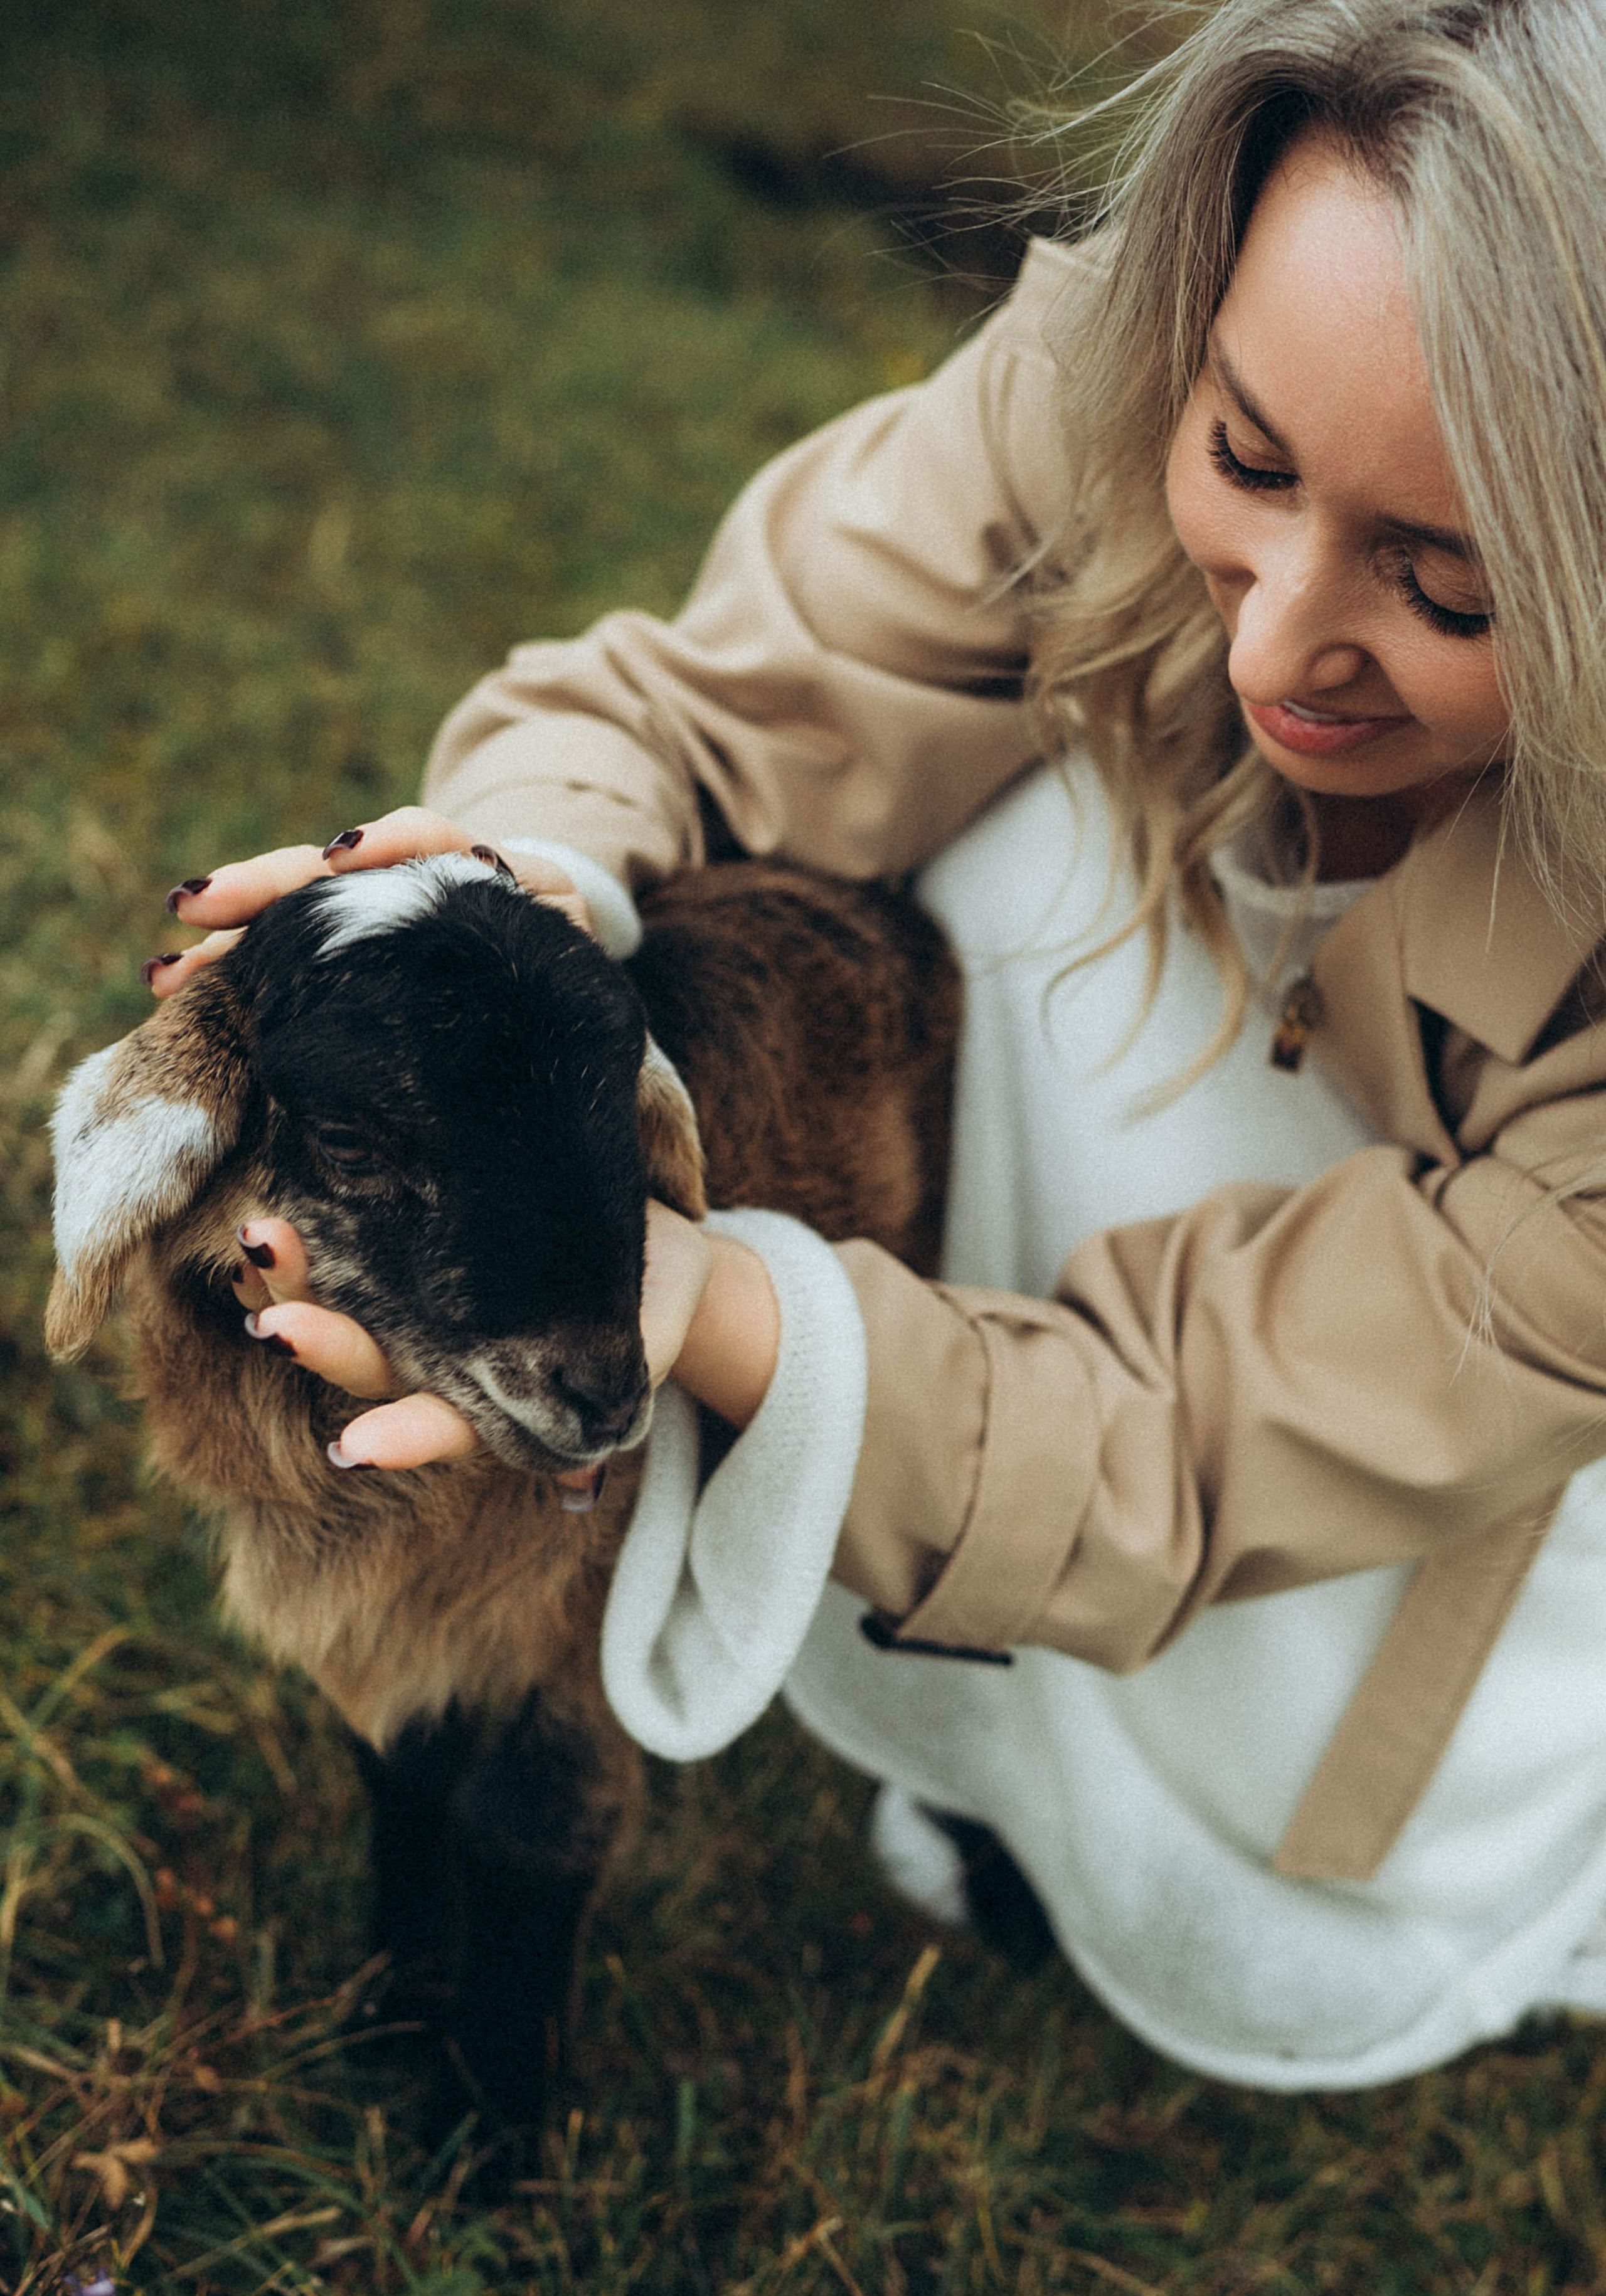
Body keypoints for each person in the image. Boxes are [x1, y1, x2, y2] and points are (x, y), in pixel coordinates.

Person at [147, 0, 1606, 2089]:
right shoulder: (1115, 373)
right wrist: (534, 892)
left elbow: (1183, 1442)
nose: (1278, 639)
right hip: (1116, 1155)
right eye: (1249, 463)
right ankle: (935, 1627)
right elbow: (721, 697)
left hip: (1384, 1434)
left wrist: (724, 1311)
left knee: (1278, 1848)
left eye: (1447, 588)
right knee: (1013, 813)